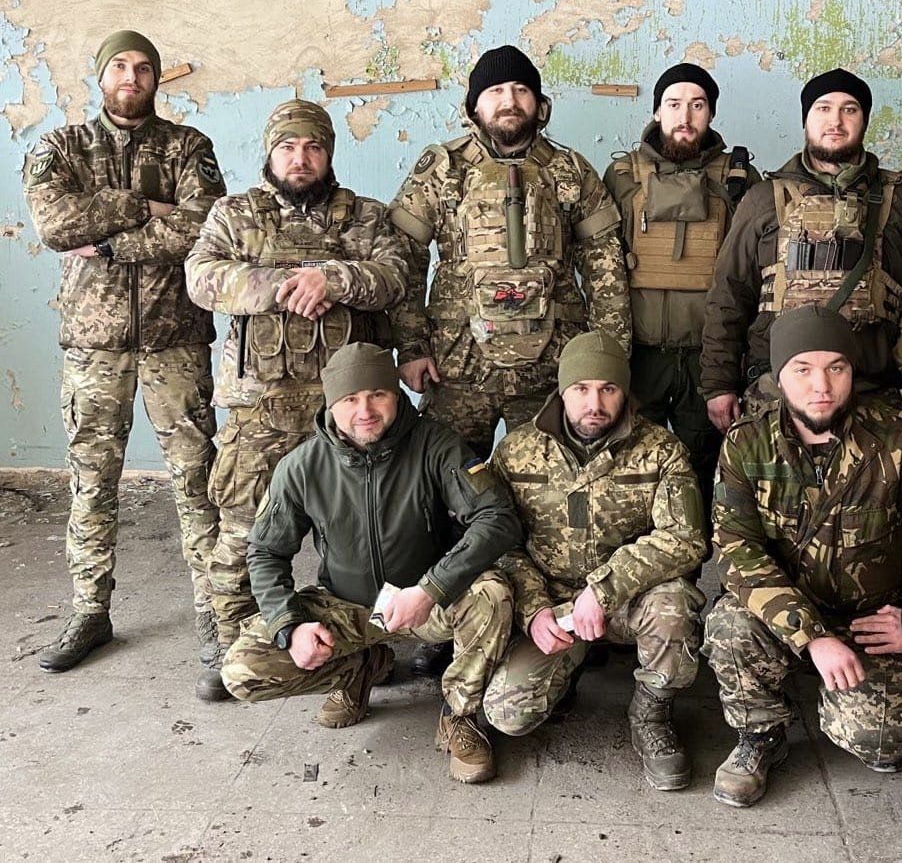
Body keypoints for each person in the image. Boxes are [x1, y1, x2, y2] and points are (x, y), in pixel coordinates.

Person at [387, 44, 630, 676]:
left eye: (520, 90)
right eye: (496, 92)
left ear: (539, 104)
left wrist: (609, 362)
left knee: (549, 498)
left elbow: (606, 267)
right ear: (473, 105)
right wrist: (411, 347)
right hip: (458, 367)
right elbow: (405, 261)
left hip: (550, 370)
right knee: (444, 495)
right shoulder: (442, 169)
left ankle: (558, 621)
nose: (509, 102)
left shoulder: (569, 171)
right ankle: (447, 620)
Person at [704, 305, 902, 807]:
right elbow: (736, 550)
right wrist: (811, 635)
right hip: (785, 616)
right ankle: (760, 735)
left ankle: (848, 696)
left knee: (882, 741)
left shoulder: (899, 441)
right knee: (729, 625)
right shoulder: (748, 444)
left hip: (870, 624)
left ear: (852, 372)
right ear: (779, 377)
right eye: (802, 369)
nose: (821, 385)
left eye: (836, 367)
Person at [185, 99, 409, 699]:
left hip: (348, 416)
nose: (300, 158)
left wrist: (332, 278)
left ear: (329, 153)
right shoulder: (235, 214)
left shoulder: (363, 215)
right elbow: (201, 276)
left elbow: (395, 275)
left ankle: (363, 647)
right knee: (242, 533)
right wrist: (284, 284)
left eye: (313, 147)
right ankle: (237, 645)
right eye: (288, 147)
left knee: (363, 532)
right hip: (260, 411)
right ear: (270, 153)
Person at [221, 343, 521, 784]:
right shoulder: (301, 467)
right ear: (331, 403)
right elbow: (266, 552)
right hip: (348, 607)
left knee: (492, 594)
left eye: (378, 394)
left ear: (396, 396)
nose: (365, 411)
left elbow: (497, 518)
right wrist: (290, 626)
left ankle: (460, 715)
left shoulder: (436, 445)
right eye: (350, 399)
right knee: (243, 671)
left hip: (427, 602)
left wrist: (432, 588)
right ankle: (357, 669)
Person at [24, 30, 226, 674]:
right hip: (93, 345)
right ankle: (90, 611)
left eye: (143, 67)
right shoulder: (60, 147)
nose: (131, 77)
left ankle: (216, 613)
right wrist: (144, 205)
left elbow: (203, 225)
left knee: (197, 480)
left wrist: (113, 242)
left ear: (157, 79)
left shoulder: (189, 147)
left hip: (176, 341)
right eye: (119, 66)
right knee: (92, 481)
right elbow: (56, 225)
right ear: (101, 75)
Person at [482, 331, 707, 791]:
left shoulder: (661, 449)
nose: (595, 403)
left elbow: (685, 538)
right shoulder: (516, 451)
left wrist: (604, 589)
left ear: (625, 391)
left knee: (674, 609)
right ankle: (570, 666)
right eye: (581, 389)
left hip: (629, 599)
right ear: (562, 390)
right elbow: (501, 542)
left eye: (608, 388)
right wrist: (533, 610)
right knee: (508, 712)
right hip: (554, 603)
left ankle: (652, 714)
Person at [701, 67, 902, 436]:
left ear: (864, 120)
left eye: (849, 109)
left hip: (871, 394)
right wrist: (718, 384)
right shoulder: (764, 198)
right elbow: (729, 295)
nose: (836, 121)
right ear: (806, 119)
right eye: (823, 108)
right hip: (776, 396)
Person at [603, 63, 760, 522]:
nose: (685, 116)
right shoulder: (622, 176)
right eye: (673, 104)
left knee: (705, 471)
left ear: (711, 113)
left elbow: (751, 275)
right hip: (640, 356)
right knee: (631, 471)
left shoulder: (739, 180)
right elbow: (598, 266)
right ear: (657, 111)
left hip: (707, 358)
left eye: (697, 105)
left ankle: (699, 559)